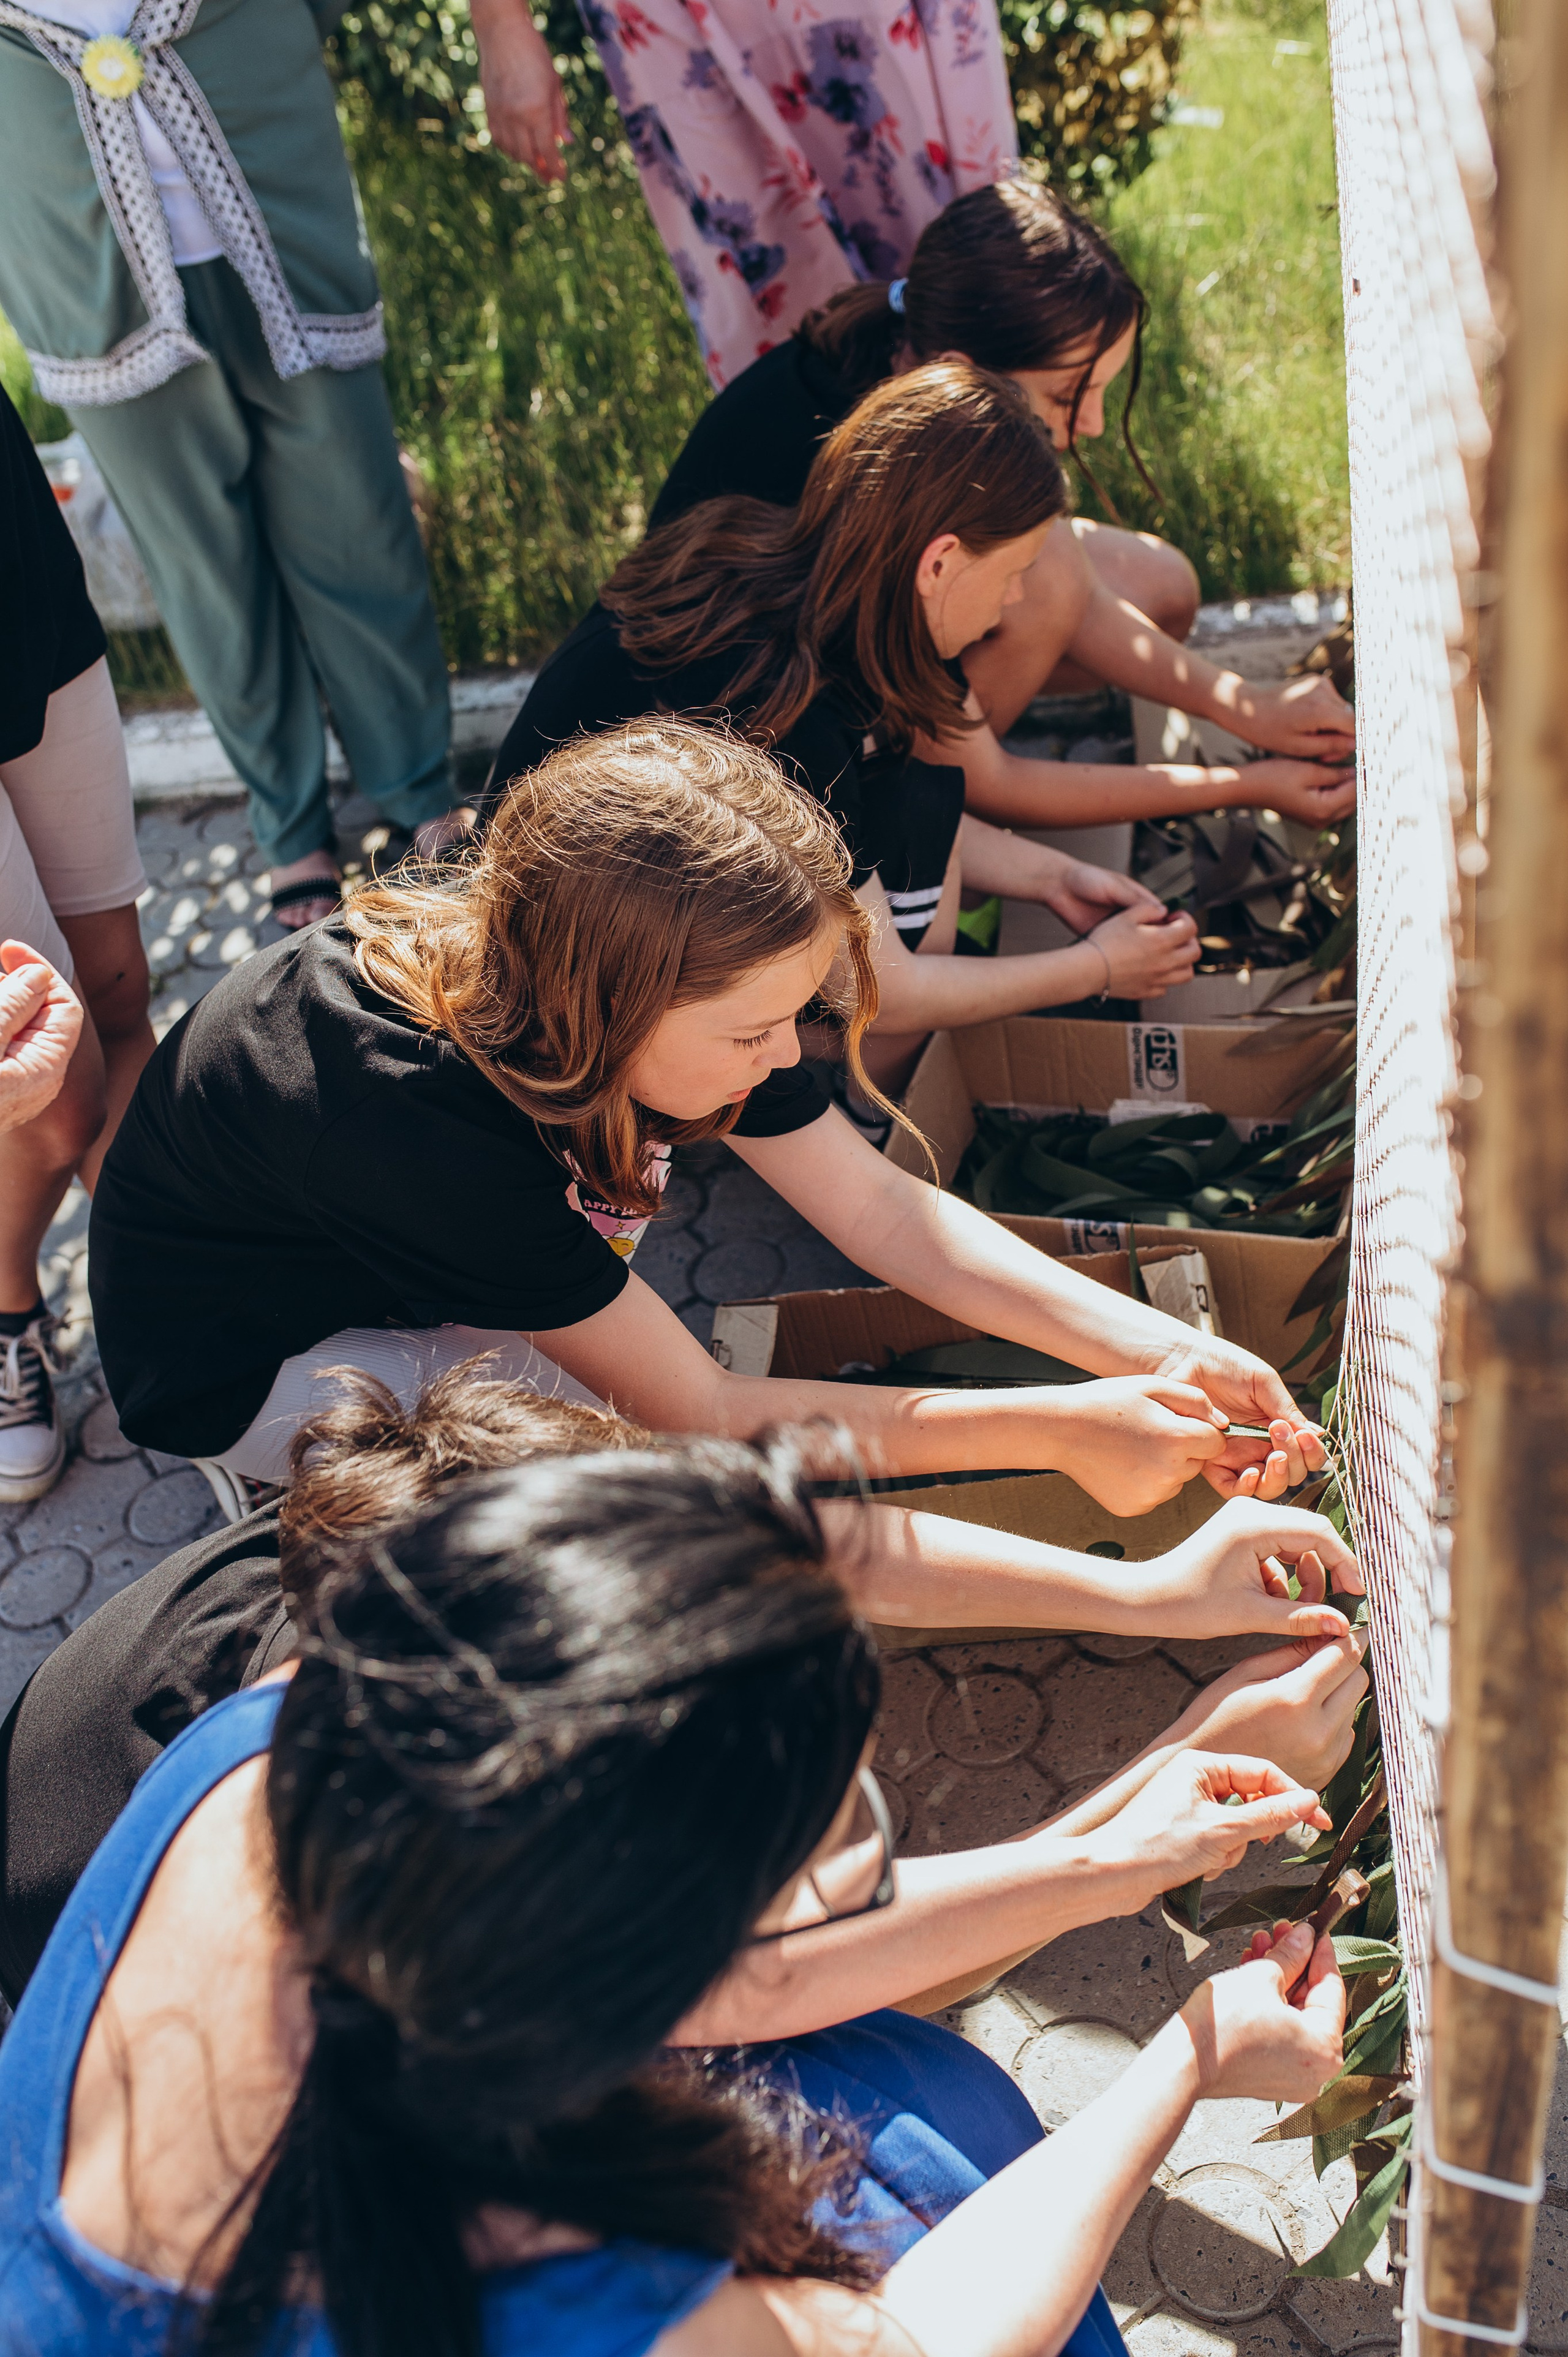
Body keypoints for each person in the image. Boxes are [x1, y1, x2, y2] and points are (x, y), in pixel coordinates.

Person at [0, 1438, 1349, 2356]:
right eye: (823, 1855)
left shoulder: (296, 1731)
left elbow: (764, 1556)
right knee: (931, 2138)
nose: (854, 1875)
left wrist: (1136, 1741)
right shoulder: (568, 2289)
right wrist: (1189, 2058)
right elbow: (925, 2335)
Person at [89, 718, 1329, 1506]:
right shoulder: (417, 1125)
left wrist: (1153, 1349)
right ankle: (286, 1502)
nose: (788, 1055)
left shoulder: (648, 953)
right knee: (603, 1476)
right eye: (751, 1035)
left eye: (795, 1014)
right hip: (242, 1360)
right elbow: (707, 1412)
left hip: (391, 1239)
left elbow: (889, 1215)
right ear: (611, 1009)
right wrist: (1062, 1429)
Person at [0, 1360, 1369, 2010]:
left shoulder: (421, 1557)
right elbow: (764, 1986)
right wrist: (1141, 1820)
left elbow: (789, 1537)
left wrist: (1146, 1591)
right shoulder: (392, 1930)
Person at [489, 371, 1351, 1085]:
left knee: (915, 807)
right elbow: (884, 991)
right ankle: (850, 1100)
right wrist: (1098, 968)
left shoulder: (801, 575)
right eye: (1012, 574)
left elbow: (865, 808)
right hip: (566, 996)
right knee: (908, 869)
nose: (1017, 601)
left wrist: (1050, 878)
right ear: (939, 562)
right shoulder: (790, 708)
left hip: (560, 901)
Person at [0, 0, 563, 927]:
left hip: (274, 200)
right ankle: (289, 826)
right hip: (75, 255)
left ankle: (416, 789)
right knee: (201, 565)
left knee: (357, 520)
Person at [650, 179, 1360, 751]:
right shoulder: (866, 452)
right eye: (1065, 396)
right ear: (958, 371)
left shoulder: (916, 377)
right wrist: (1245, 722)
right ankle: (938, 813)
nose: (1091, 424)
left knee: (1158, 584)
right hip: (731, 724)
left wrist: (1247, 706)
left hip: (845, 641)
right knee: (1045, 584)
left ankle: (982, 753)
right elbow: (1056, 579)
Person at [0, 381, 154, 1500]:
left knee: (116, 990)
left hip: (17, 582)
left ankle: (186, 1305)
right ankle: (7, 1301)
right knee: (46, 1072)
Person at [575, 0, 1017, 390]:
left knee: (951, 264)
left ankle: (971, 451)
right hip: (689, 29)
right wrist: (506, 27)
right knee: (779, 296)